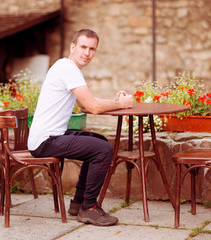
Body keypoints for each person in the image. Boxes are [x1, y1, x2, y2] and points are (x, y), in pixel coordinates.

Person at [28, 29, 133, 226]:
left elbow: (86, 104)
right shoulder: (68, 68)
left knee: (99, 142)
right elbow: (93, 107)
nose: (87, 53)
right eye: (83, 47)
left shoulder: (65, 67)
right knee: (103, 150)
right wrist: (122, 104)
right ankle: (89, 208)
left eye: (92, 49)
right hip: (45, 141)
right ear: (73, 47)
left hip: (50, 136)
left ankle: (78, 203)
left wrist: (115, 101)